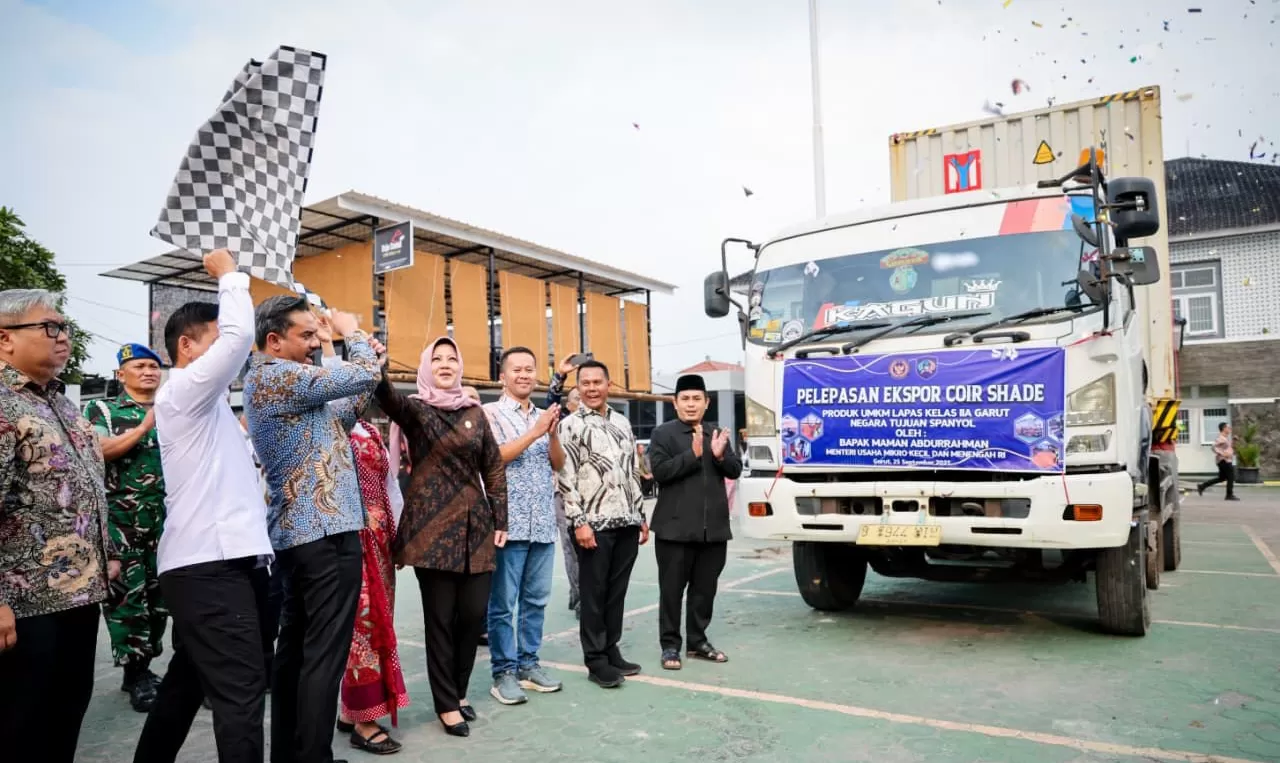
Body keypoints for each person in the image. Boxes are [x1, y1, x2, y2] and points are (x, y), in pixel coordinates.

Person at [132, 250, 277, 763]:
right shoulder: (182, 393)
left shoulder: (210, 405)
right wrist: (228, 276)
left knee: (185, 686)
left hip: (219, 564)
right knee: (240, 693)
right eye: (212, 343)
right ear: (186, 347)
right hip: (209, 566)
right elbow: (239, 340)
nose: (227, 353)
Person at [243, 297, 384, 763]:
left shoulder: (289, 388)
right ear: (273, 341)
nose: (313, 343)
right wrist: (351, 333)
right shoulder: (274, 375)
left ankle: (293, 753)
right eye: (306, 335)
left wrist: (367, 358)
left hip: (309, 536)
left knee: (300, 652)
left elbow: (348, 407)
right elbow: (359, 373)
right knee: (322, 654)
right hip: (322, 536)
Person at [0, 288, 114, 763]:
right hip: (25, 605)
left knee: (65, 715)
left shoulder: (61, 405)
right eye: (50, 327)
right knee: (19, 725)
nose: (63, 336)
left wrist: (110, 556)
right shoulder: (4, 405)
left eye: (65, 327)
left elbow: (86, 490)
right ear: (5, 339)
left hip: (78, 595)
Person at [379, 337, 507, 737]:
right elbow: (387, 398)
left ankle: (460, 690)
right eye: (438, 359)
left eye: (453, 357)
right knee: (440, 621)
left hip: (476, 530)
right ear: (426, 366)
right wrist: (377, 363)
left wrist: (500, 517)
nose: (446, 364)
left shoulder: (474, 412)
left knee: (471, 618)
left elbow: (494, 467)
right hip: (432, 531)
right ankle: (447, 704)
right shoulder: (416, 410)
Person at [85, 342, 169, 712]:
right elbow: (100, 450)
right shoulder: (102, 408)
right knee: (128, 601)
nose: (149, 371)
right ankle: (136, 676)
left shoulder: (173, 408)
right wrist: (145, 427)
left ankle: (143, 668)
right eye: (139, 366)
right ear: (121, 374)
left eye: (153, 366)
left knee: (161, 602)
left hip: (166, 523)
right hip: (123, 525)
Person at [557, 360, 648, 689]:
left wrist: (640, 515)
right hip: (592, 524)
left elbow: (632, 471)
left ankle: (611, 649)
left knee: (616, 593)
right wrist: (579, 522)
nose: (592, 388)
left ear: (609, 385)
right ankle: (596, 660)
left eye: (598, 382)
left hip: (626, 520)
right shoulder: (570, 425)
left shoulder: (623, 423)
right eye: (586, 383)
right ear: (578, 387)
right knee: (593, 594)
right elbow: (565, 478)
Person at [483, 346, 565, 705]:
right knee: (502, 605)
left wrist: (552, 434)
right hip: (508, 525)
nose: (524, 375)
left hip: (543, 523)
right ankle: (503, 672)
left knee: (536, 601)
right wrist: (534, 432)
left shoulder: (544, 415)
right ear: (503, 376)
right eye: (516, 369)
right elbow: (492, 459)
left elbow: (557, 464)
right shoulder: (489, 413)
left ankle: (529, 664)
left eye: (530, 369)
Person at [647, 374, 742, 671]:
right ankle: (670, 646)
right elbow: (660, 472)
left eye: (696, 399)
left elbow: (735, 470)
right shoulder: (663, 434)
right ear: (675, 403)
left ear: (706, 402)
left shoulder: (717, 433)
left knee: (704, 590)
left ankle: (698, 642)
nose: (691, 404)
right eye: (685, 399)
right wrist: (693, 454)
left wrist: (718, 455)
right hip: (674, 530)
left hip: (712, 531)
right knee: (672, 591)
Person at [336, 418, 410, 755]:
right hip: (349, 535)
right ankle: (364, 720)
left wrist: (396, 535)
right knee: (362, 623)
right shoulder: (328, 421)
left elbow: (390, 485)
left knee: (378, 620)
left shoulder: (369, 428)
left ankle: (350, 711)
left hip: (379, 537)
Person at [546, 359, 583, 616]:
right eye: (577, 397)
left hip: (594, 494)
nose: (583, 400)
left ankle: (584, 593)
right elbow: (551, 402)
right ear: (569, 405)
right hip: (564, 493)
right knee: (571, 547)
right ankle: (579, 594)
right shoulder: (563, 420)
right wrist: (559, 376)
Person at [1198, 422, 1241, 501]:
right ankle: (1229, 495)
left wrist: (1234, 441)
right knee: (1231, 477)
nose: (1230, 429)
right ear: (1224, 428)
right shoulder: (1221, 438)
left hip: (1225, 460)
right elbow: (1213, 447)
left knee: (1222, 478)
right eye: (1228, 427)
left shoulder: (1225, 438)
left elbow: (1228, 448)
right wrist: (1223, 454)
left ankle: (1202, 486)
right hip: (1224, 461)